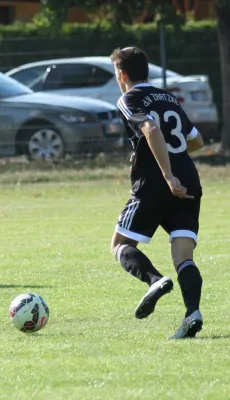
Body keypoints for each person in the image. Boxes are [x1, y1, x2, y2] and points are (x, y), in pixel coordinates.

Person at [109, 47, 205, 339]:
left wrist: (166, 173)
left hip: (156, 184)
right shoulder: (168, 97)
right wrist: (173, 164)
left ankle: (155, 280)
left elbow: (150, 128)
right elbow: (197, 141)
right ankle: (192, 314)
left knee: (120, 245)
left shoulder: (129, 98)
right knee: (184, 254)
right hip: (189, 180)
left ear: (122, 74)